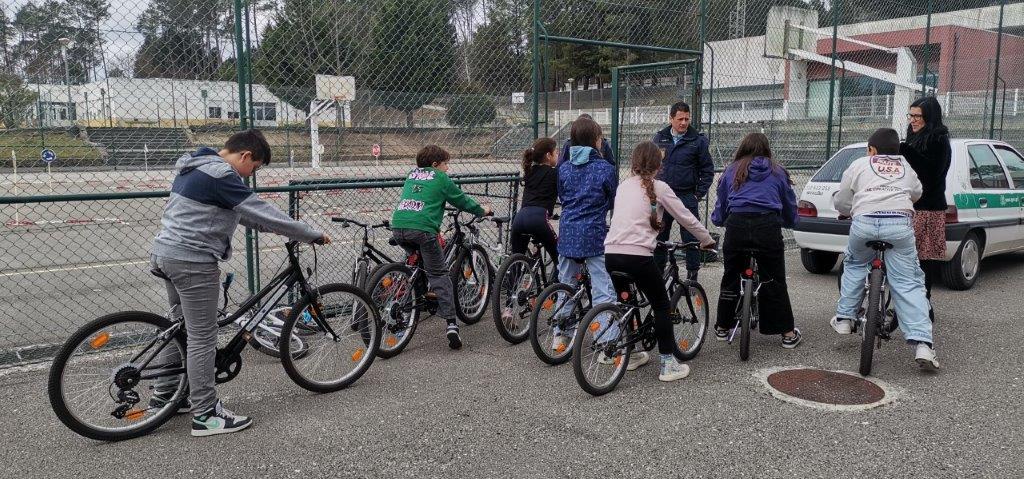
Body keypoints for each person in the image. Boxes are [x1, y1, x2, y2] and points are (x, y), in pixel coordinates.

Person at [150, 129, 330, 437]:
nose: (251, 174)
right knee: (202, 338)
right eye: (255, 167)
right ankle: (206, 414)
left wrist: (271, 228)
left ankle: (166, 395)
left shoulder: (195, 166)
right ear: (245, 156)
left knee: (179, 325)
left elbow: (245, 216)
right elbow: (262, 211)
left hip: (165, 253)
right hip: (193, 262)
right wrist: (308, 233)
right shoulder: (222, 175)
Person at [605, 141, 717, 382]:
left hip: (611, 254)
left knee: (627, 303)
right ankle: (667, 364)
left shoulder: (623, 186)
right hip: (637, 257)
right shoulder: (660, 187)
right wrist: (706, 240)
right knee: (661, 305)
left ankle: (632, 354)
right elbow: (687, 218)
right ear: (658, 165)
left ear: (634, 164)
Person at [832, 128, 939, 370]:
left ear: (871, 149)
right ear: (897, 150)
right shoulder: (905, 166)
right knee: (908, 282)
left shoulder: (860, 163)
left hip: (864, 223)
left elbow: (842, 199)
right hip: (899, 225)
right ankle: (923, 345)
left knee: (855, 264)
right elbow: (917, 193)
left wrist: (849, 210)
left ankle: (845, 318)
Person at [390, 145, 491, 350]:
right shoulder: (440, 177)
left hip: (399, 227)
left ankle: (413, 300)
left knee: (416, 266)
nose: (448, 168)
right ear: (435, 164)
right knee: (439, 274)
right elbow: (461, 200)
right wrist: (482, 210)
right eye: (446, 164)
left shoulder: (413, 174)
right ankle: (452, 324)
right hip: (423, 230)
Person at [711, 132, 802, 348]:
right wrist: (791, 221)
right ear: (767, 150)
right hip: (767, 227)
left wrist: (719, 220)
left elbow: (721, 203)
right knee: (775, 279)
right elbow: (789, 203)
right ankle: (787, 334)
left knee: (731, 275)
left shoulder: (732, 170)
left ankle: (723, 327)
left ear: (742, 148)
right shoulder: (777, 171)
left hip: (737, 225)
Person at [552, 117, 627, 360]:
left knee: (566, 284)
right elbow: (614, 199)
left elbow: (563, 195)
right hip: (594, 233)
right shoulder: (605, 169)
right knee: (603, 289)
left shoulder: (563, 169)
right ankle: (606, 343)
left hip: (568, 232)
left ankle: (560, 335)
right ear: (596, 141)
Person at [900, 96, 951, 322]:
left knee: (923, 261)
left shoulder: (939, 139)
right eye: (910, 115)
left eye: (917, 116)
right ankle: (904, 307)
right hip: (910, 206)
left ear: (929, 117)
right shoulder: (914, 136)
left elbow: (931, 174)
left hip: (928, 209)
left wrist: (905, 151)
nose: (912, 120)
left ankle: (924, 307)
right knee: (906, 260)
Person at [652, 101, 716, 281]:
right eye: (680, 119)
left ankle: (692, 278)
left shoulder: (698, 141)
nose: (684, 123)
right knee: (659, 239)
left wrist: (697, 194)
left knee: (692, 239)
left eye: (687, 119)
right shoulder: (659, 138)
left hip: (686, 196)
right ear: (671, 118)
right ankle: (658, 277)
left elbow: (707, 170)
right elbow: (652, 165)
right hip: (663, 198)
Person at [502, 138, 561, 323]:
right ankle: (555, 295)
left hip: (520, 219)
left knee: (516, 262)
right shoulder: (555, 173)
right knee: (562, 258)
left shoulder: (529, 171)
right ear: (548, 155)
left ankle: (508, 308)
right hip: (539, 219)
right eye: (556, 152)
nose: (558, 155)